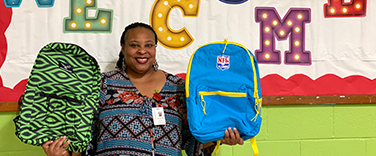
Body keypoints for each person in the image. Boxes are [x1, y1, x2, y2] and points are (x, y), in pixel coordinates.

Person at [43, 22, 243, 156]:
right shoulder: (102, 84)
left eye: (149, 45)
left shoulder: (178, 88)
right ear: (123, 48)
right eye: (134, 45)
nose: (142, 51)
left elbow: (191, 142)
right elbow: (85, 135)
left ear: (155, 48)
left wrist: (220, 138)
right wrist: (65, 153)